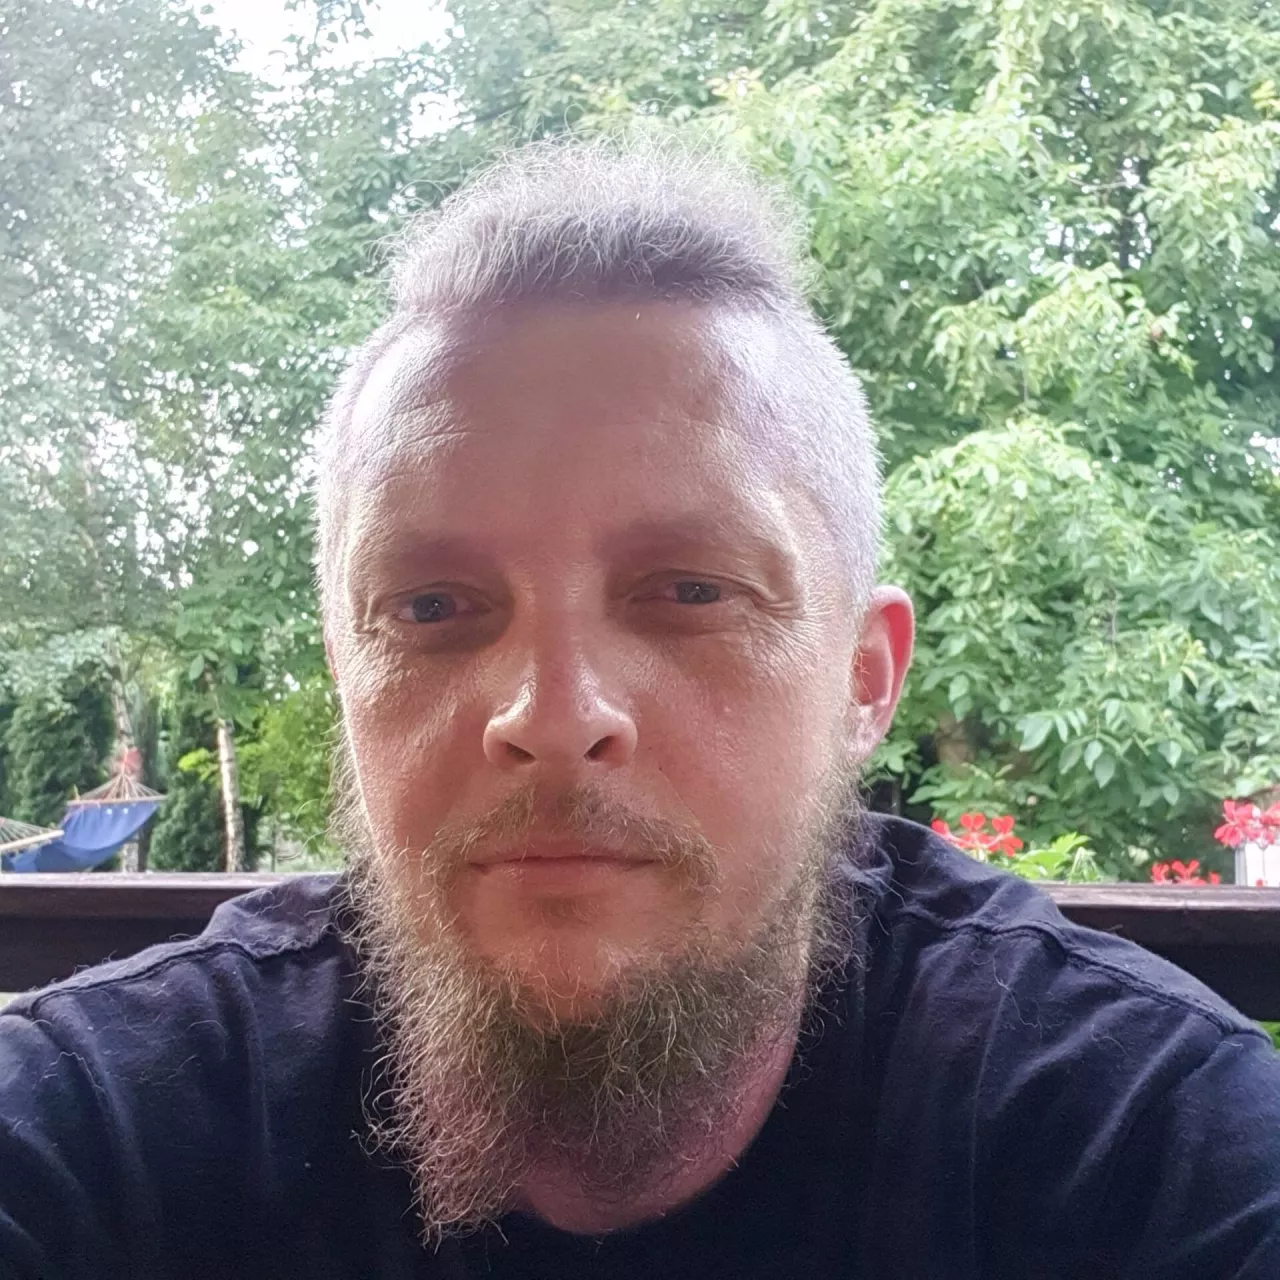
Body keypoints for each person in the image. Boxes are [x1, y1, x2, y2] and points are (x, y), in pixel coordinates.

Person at [2, 138, 1278, 1280]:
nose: (554, 714)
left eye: (687, 590)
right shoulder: (97, 1128)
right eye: (433, 606)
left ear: (862, 677)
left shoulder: (1143, 1143)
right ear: (346, 670)